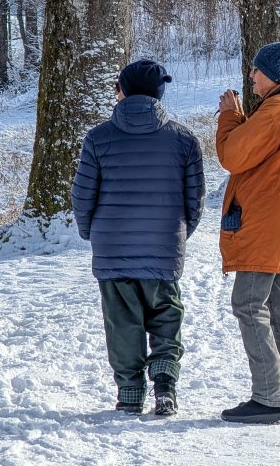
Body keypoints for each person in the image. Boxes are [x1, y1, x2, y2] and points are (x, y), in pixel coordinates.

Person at [71, 59, 205, 416]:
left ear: (123, 91)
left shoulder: (98, 138)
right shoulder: (184, 139)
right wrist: (177, 235)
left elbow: (83, 195)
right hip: (162, 245)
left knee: (122, 322)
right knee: (166, 315)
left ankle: (130, 393)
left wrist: (92, 232)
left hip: (112, 247)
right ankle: (164, 383)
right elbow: (195, 200)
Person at [216, 41, 280, 424]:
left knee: (248, 304)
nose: (251, 76)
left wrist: (229, 117)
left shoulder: (278, 110)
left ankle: (267, 397)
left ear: (273, 73)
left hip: (265, 225)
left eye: (256, 70)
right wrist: (245, 119)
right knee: (278, 310)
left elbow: (233, 155)